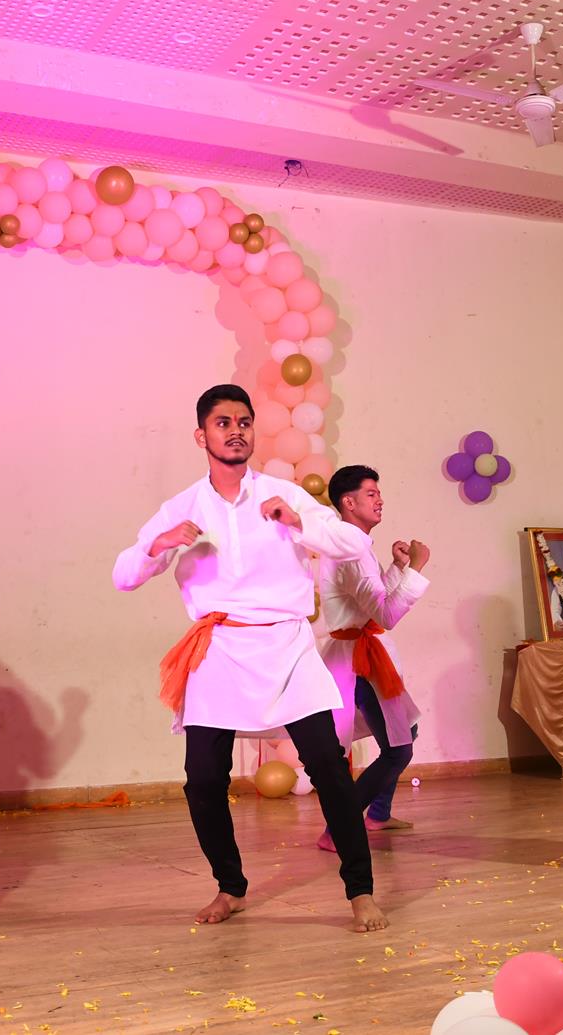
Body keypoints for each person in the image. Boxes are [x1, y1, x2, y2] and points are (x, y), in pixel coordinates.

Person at [112, 384, 387, 933]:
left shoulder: (285, 495)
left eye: (243, 422)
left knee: (329, 766)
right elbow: (123, 576)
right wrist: (158, 544)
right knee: (202, 779)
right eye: (223, 423)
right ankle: (230, 886)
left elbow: (355, 544)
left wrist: (298, 521)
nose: (235, 431)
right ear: (201, 436)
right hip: (218, 650)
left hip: (287, 648)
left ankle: (360, 890)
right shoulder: (182, 507)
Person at [315, 464, 429, 852]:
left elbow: (375, 600)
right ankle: (338, 829)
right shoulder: (350, 550)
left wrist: (398, 567)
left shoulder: (355, 544)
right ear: (348, 502)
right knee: (399, 748)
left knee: (405, 732)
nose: (379, 500)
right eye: (371, 494)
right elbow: (386, 614)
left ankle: (378, 813)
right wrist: (417, 567)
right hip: (359, 662)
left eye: (378, 493)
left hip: (365, 656)